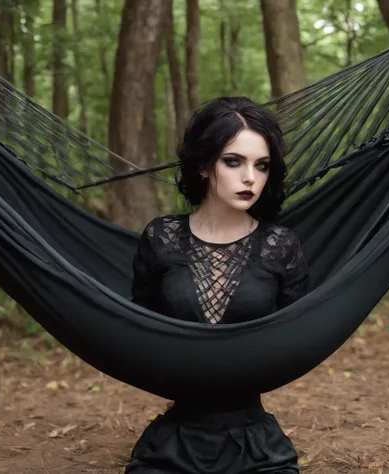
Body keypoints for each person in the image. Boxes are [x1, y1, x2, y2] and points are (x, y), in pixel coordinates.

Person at [125, 97, 308, 474]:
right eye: (233, 161)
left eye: (262, 166)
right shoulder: (161, 238)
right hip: (174, 444)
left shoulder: (281, 246)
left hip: (256, 446)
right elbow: (140, 326)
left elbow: (296, 334)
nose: (250, 178)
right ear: (205, 166)